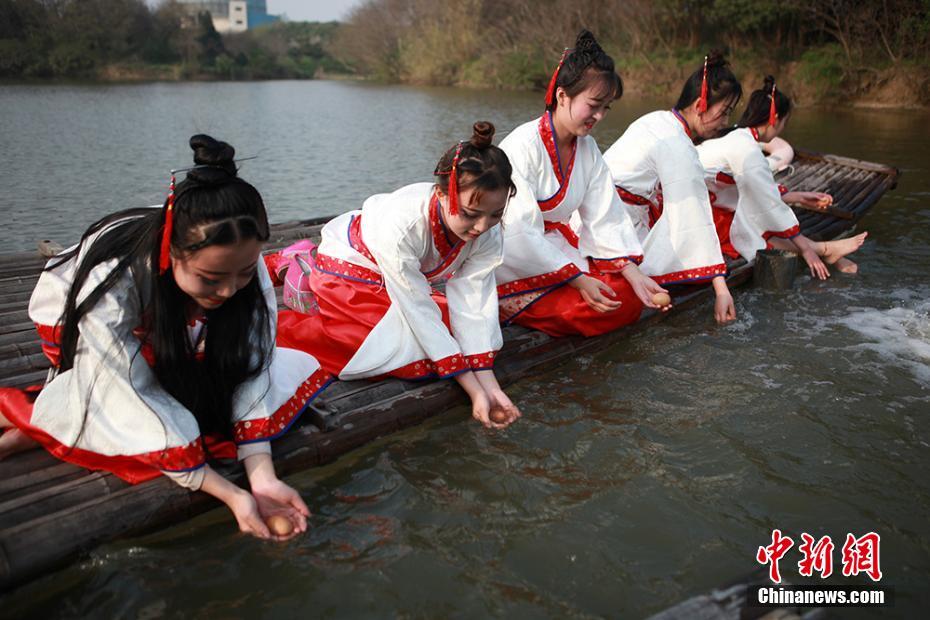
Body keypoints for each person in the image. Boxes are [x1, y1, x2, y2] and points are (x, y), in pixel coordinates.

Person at [0, 135, 332, 541]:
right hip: (72, 323)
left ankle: (44, 424)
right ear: (171, 254)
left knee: (275, 371)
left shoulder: (238, 261)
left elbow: (254, 364)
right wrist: (230, 494)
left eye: (244, 273)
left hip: (163, 316)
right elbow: (122, 387)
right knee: (123, 407)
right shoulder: (114, 278)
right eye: (211, 279)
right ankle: (38, 418)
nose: (230, 291)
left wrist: (261, 478)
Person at [274, 122, 521, 430]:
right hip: (352, 269)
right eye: (470, 214)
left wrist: (491, 387)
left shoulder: (486, 229)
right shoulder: (404, 223)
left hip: (404, 282)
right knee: (397, 353)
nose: (483, 227)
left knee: (455, 328)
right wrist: (473, 390)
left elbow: (474, 302)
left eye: (496, 214)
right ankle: (282, 321)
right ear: (442, 194)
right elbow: (416, 304)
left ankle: (298, 266)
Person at [495, 30, 668, 338]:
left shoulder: (587, 150)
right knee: (598, 304)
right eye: (594, 105)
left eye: (606, 108)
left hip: (556, 251)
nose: (599, 116)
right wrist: (577, 280)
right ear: (562, 96)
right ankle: (506, 304)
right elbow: (517, 232)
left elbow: (605, 217)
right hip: (513, 261)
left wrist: (634, 274)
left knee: (625, 293)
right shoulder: (521, 147)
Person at [604, 50, 742, 324]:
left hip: (609, 215)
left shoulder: (658, 119)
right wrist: (721, 287)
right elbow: (695, 210)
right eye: (724, 113)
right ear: (701, 104)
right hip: (616, 225)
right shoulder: (676, 141)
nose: (725, 122)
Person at [697, 76, 868, 278]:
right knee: (754, 223)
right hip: (698, 212)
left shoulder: (735, 136)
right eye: (785, 122)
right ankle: (825, 250)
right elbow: (766, 201)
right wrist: (806, 249)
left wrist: (797, 196)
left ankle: (828, 252)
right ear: (775, 118)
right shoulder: (747, 149)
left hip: (706, 202)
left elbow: (752, 188)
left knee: (757, 214)